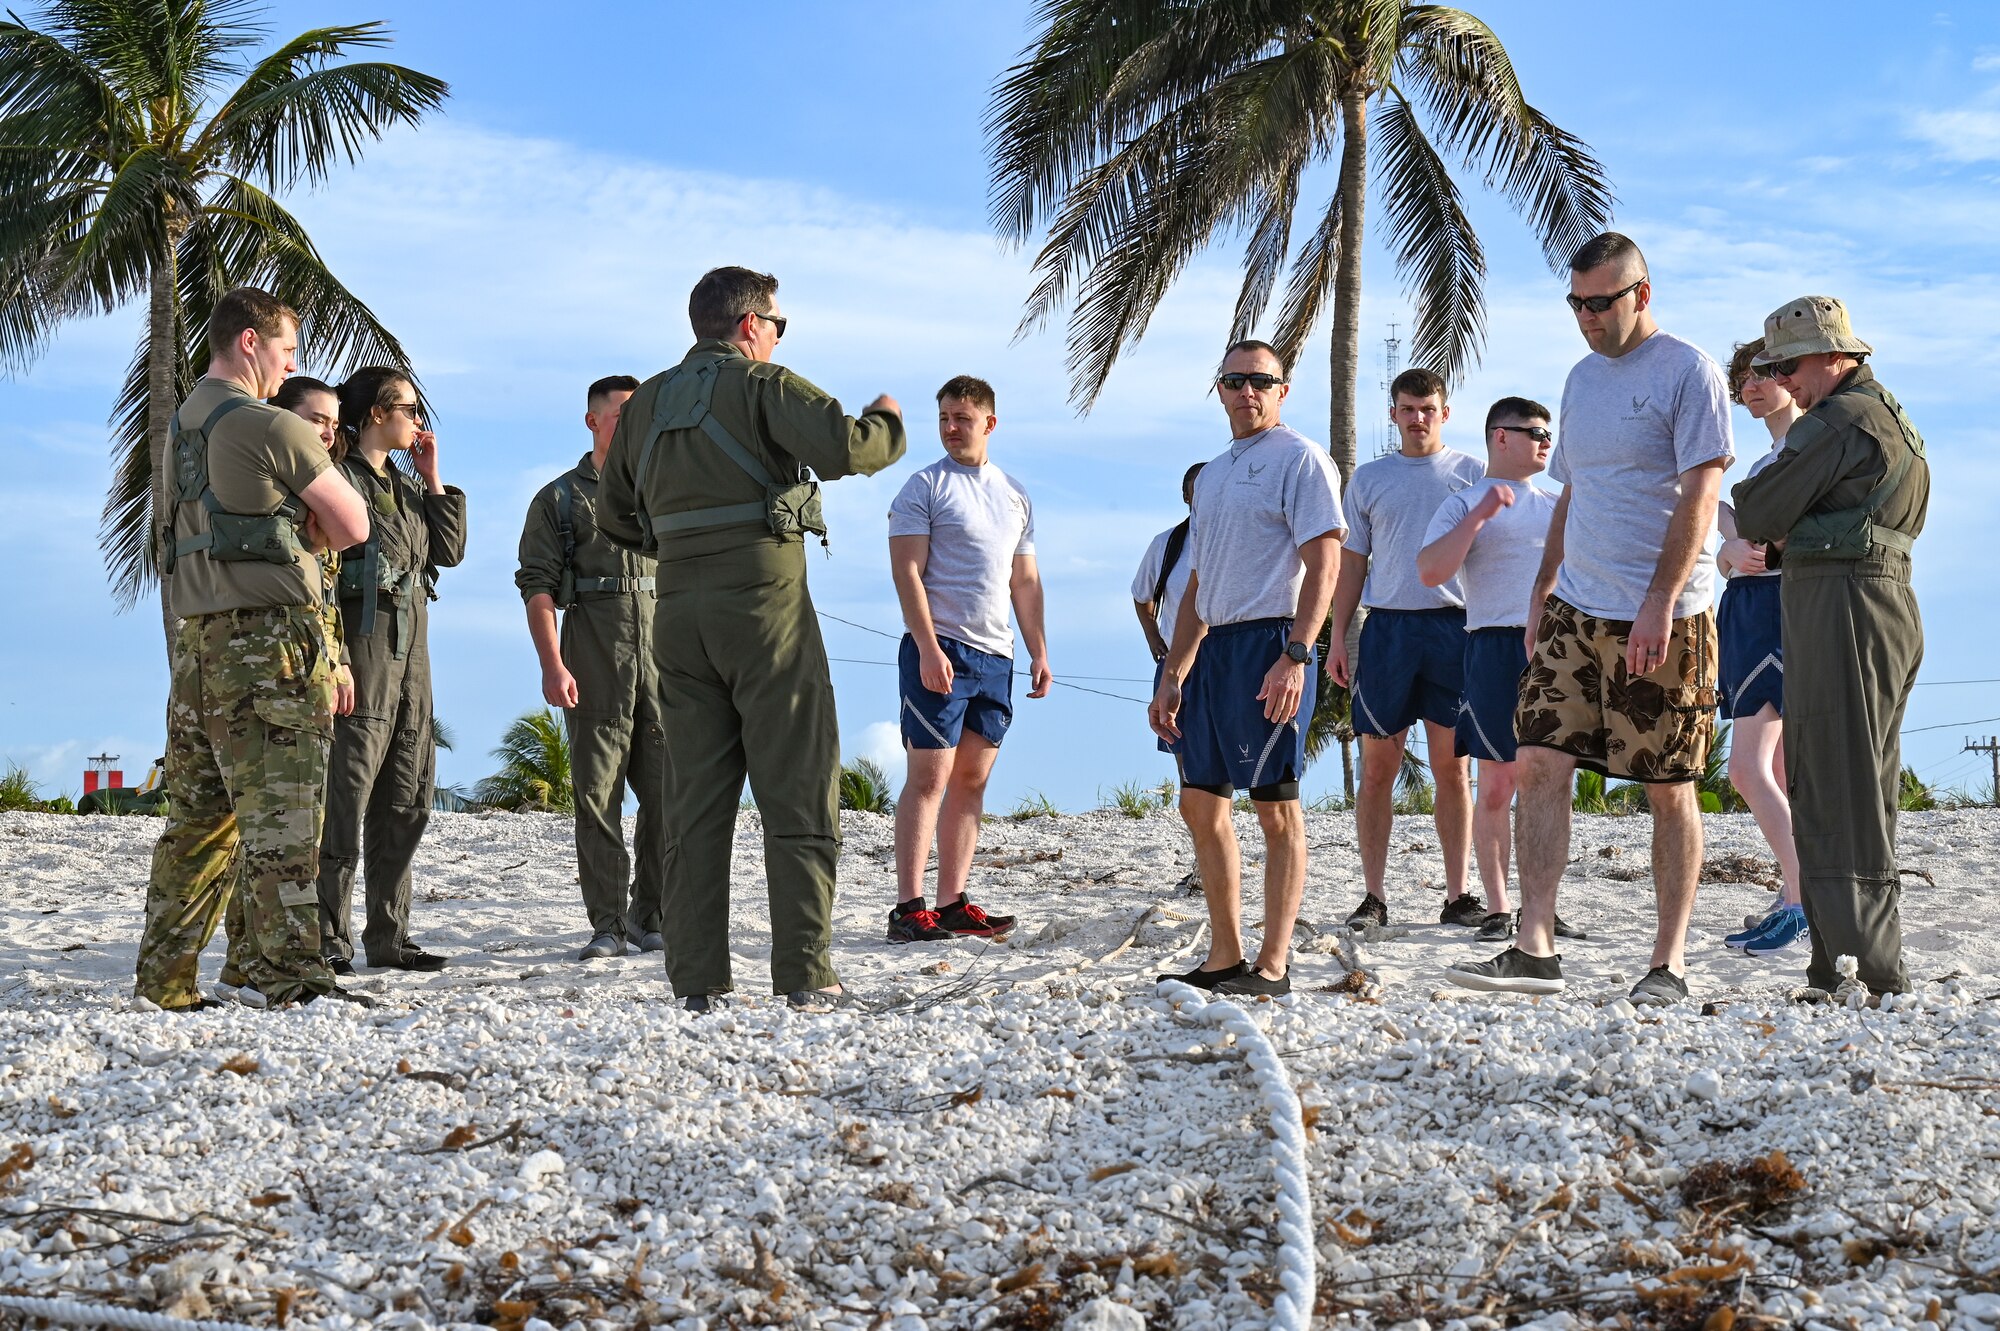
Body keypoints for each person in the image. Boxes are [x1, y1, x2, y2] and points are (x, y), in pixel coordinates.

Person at [597, 266, 906, 1013]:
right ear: (748, 325)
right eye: (777, 324)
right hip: (765, 612)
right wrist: (889, 421)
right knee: (798, 790)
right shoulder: (763, 385)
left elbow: (614, 517)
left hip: (676, 615)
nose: (775, 336)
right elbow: (848, 448)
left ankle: (697, 980)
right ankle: (805, 972)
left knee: (695, 803)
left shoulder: (643, 407)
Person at [1449, 232, 1733, 1005]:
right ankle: (1534, 941)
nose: (1586, 317)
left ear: (1641, 293)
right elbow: (1574, 489)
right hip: (1577, 604)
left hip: (1666, 611)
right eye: (1575, 303)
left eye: (1599, 302)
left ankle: (1667, 962)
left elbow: (1702, 495)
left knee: (1667, 784)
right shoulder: (1579, 379)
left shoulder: (1689, 371)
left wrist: (1658, 601)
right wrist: (1546, 583)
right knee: (1537, 758)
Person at [133, 287, 369, 1012]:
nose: (289, 365)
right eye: (286, 351)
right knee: (285, 821)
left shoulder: (179, 430)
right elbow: (354, 523)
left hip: (196, 646)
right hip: (270, 644)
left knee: (198, 824)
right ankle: (291, 978)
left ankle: (164, 981)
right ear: (248, 343)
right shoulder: (270, 425)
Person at [1734, 297, 1927, 998]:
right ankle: (1859, 963)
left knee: (1836, 786)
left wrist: (1776, 513)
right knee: (1861, 785)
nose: (1784, 381)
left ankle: (1858, 970)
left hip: (1844, 604)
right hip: (1877, 597)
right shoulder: (1889, 413)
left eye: (1788, 365)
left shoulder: (1838, 419)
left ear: (1832, 356)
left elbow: (1755, 511)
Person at [1149, 341, 1344, 997]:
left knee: (1274, 807)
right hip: (1214, 649)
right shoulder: (1213, 475)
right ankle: (1225, 955)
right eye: (1234, 380)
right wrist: (1174, 671)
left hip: (1271, 643)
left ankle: (1274, 963)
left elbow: (1325, 563)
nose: (1246, 391)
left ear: (1282, 389)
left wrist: (1297, 653)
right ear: (1221, 388)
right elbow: (1199, 581)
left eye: (1260, 381)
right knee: (1200, 803)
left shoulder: (1301, 459)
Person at [885, 376, 1050, 944]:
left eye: (963, 418)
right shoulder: (923, 487)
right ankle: (910, 906)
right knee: (929, 776)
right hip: (940, 648)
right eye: (944, 419)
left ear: (989, 423)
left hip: (995, 654)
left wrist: (1039, 652)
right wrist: (928, 647)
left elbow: (1023, 580)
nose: (952, 428)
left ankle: (953, 900)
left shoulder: (1014, 492)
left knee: (972, 781)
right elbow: (907, 571)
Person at [317, 366, 467, 975]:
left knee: (408, 793)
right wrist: (336, 659)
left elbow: (450, 551)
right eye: (408, 410)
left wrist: (433, 480)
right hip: (365, 644)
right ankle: (330, 935)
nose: (418, 423)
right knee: (347, 794)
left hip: (414, 653)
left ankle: (389, 934)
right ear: (376, 414)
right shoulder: (337, 479)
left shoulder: (405, 485)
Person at [516, 374, 670, 962]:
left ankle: (648, 915)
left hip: (663, 660)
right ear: (593, 421)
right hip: (594, 657)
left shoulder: (664, 491)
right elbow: (537, 588)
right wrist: (552, 664)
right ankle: (606, 923)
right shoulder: (559, 499)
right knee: (597, 794)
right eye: (622, 414)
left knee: (667, 795)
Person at [1329, 367, 1483, 931]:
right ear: (1392, 414)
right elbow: (1352, 567)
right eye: (1407, 409)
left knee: (1452, 768)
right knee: (1377, 770)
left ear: (1444, 413)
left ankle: (1458, 895)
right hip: (1388, 631)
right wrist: (1340, 639)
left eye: (1428, 409)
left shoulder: (1474, 473)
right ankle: (1374, 896)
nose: (1418, 419)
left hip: (1455, 630)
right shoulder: (1368, 479)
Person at [1415, 396, 1564, 942]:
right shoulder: (1462, 503)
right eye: (1534, 432)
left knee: (1547, 782)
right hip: (1491, 646)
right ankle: (1499, 905)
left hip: (1554, 647)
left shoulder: (1555, 505)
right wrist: (1479, 516)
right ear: (1500, 436)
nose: (1545, 442)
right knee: (1497, 784)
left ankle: (1540, 905)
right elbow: (1431, 571)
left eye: (1549, 433)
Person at [1714, 339, 1808, 958]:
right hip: (1751, 610)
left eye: (1762, 374)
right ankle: (1792, 892)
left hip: (1777, 612)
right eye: (1742, 377)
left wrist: (1729, 536)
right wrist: (1729, 548)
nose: (1749, 386)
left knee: (1746, 769)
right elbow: (1732, 551)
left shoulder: (1801, 451)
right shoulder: (1765, 458)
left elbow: (1773, 539)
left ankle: (1802, 901)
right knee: (1774, 769)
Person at [1133, 463, 1205, 665]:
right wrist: (1153, 636)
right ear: (1186, 496)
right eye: (1199, 487)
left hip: (1221, 663)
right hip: (1175, 660)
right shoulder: (1165, 543)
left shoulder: (1236, 539)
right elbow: (1141, 595)